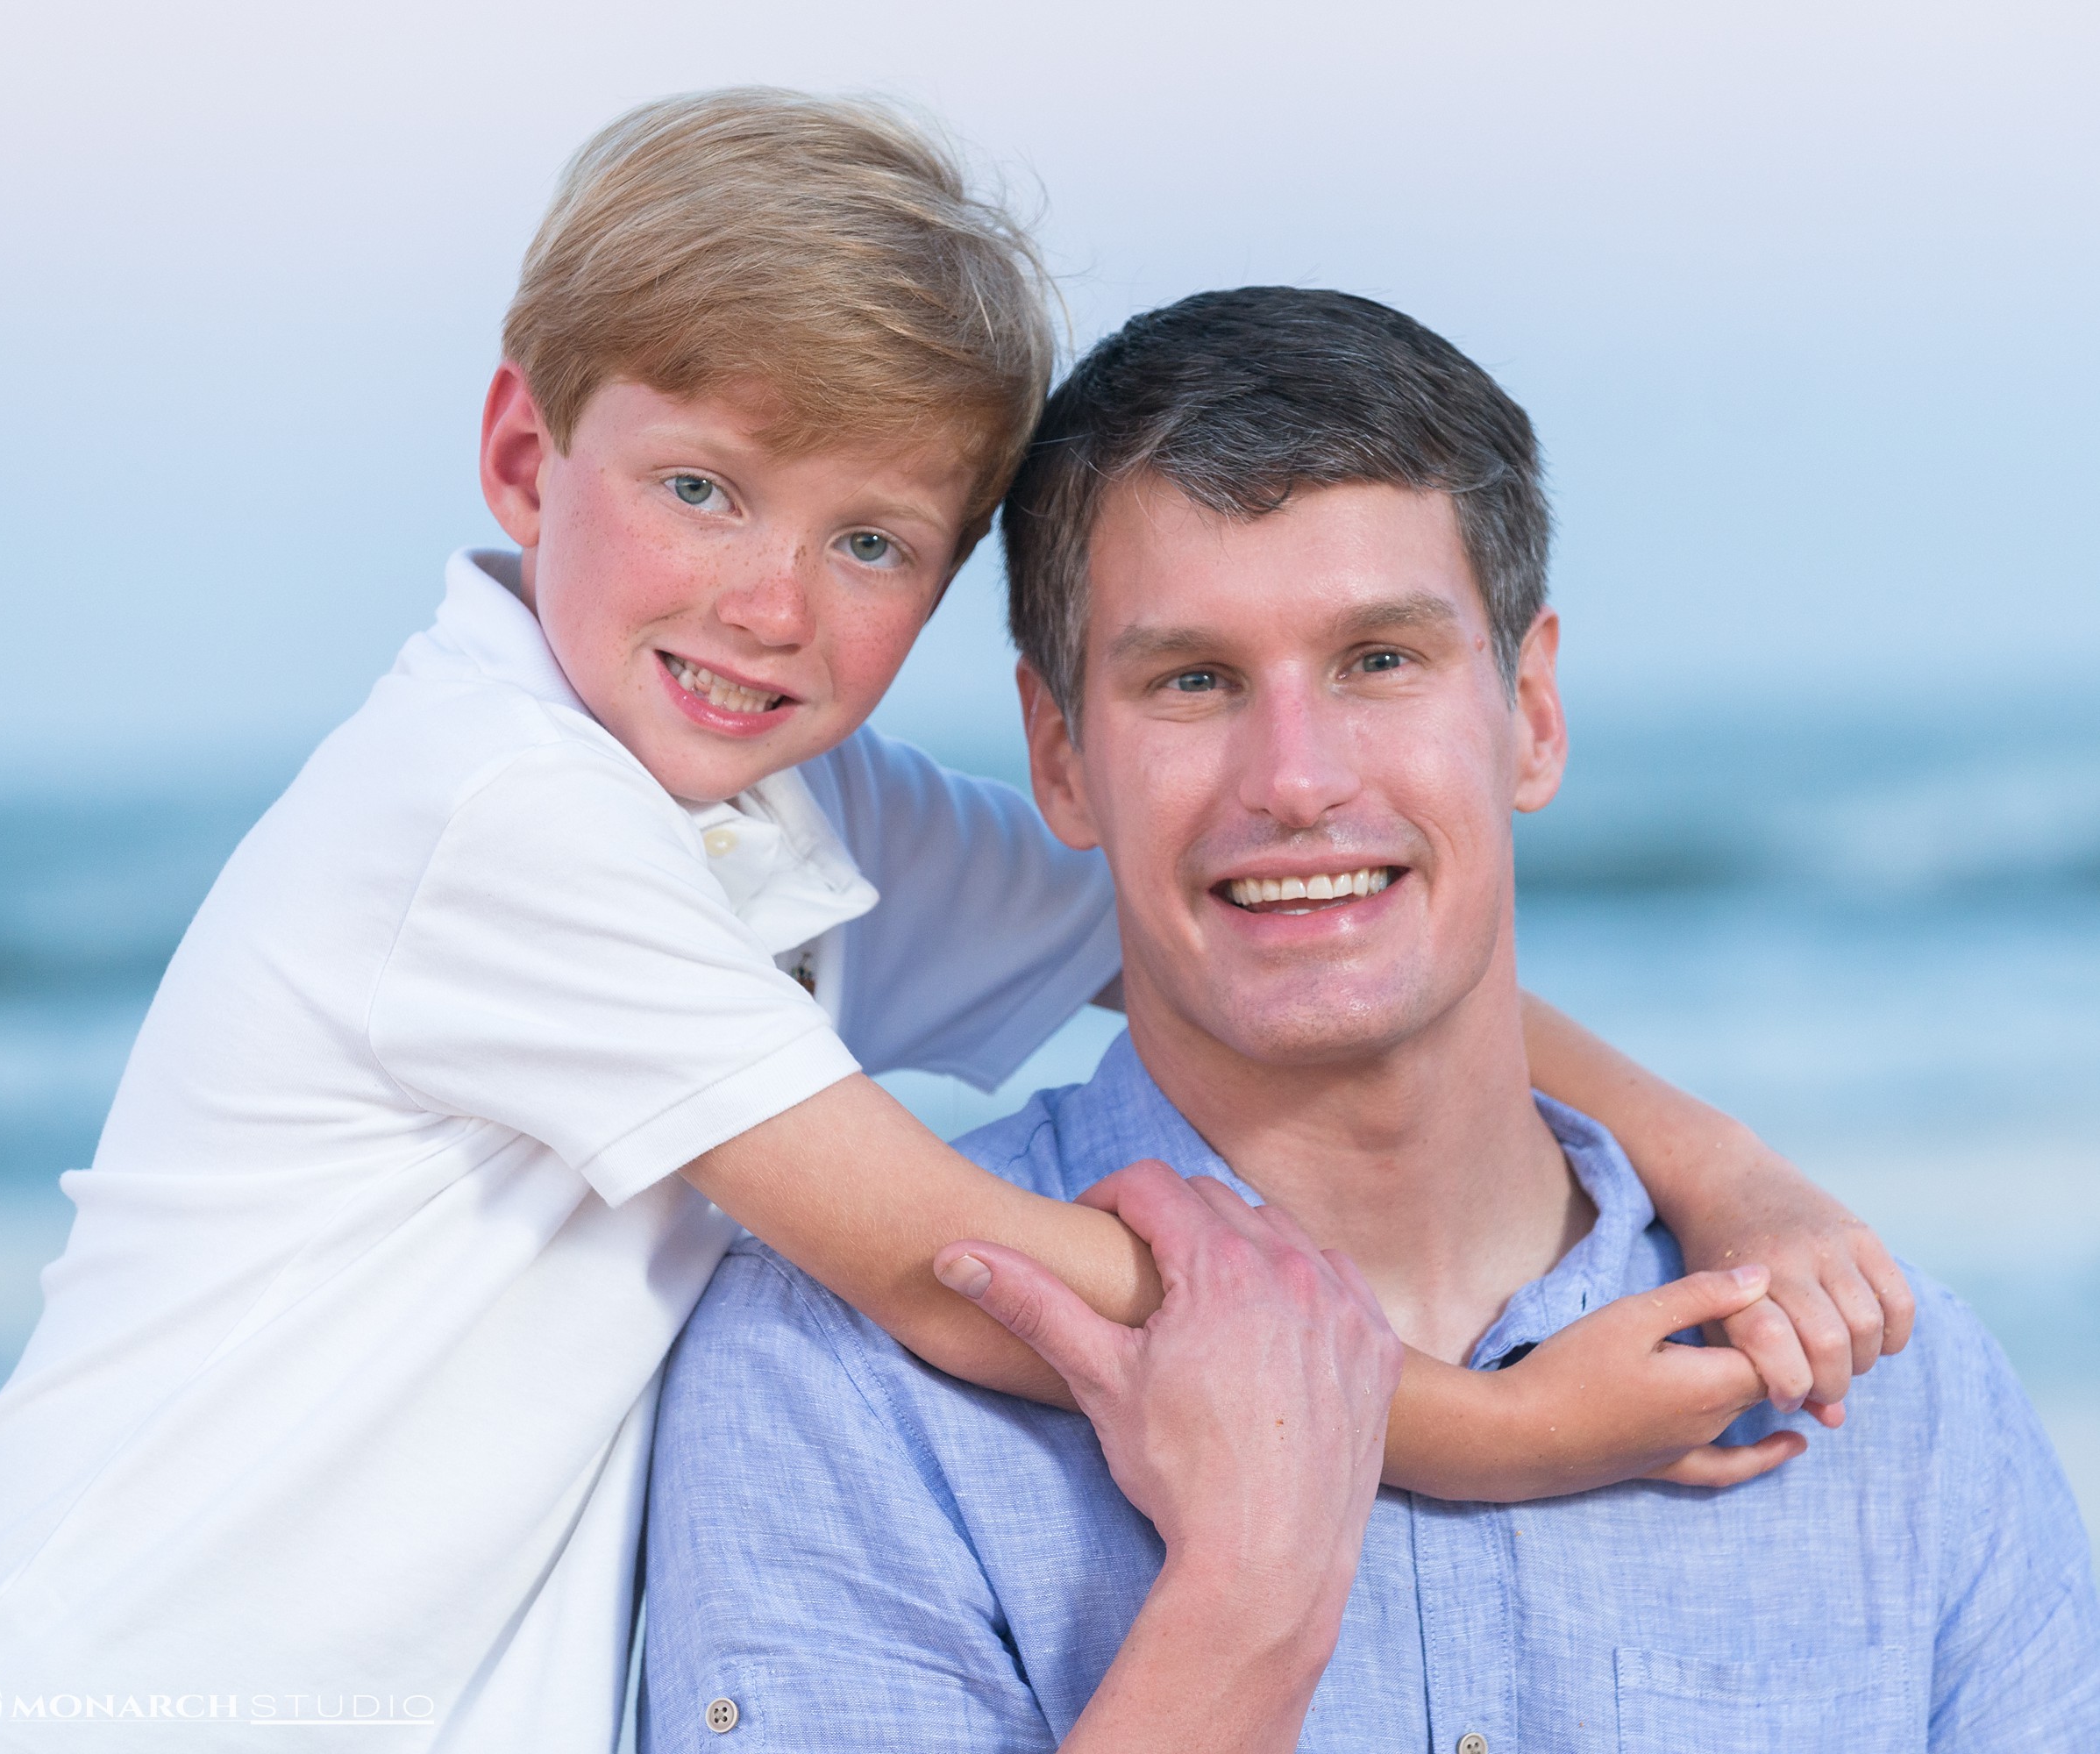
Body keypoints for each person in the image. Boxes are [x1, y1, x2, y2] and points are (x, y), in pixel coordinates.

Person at [0, 95, 1897, 1753]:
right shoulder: (491, 811)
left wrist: (1724, 1170)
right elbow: (962, 1273)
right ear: (526, 454)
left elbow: (1241, 925)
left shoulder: (781, 807)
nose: (770, 603)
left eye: (868, 542)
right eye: (700, 485)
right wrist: (1494, 1430)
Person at [640, 286, 2100, 1751]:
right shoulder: (838, 1388)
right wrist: (1251, 1598)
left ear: (1529, 712)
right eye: (1194, 681)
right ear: (1060, 757)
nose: (1296, 776)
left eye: (1379, 661)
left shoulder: (1886, 1403)